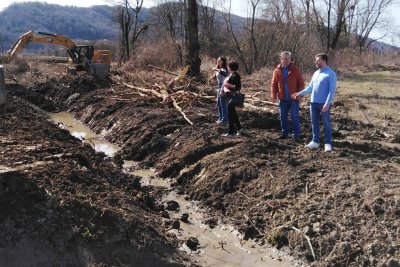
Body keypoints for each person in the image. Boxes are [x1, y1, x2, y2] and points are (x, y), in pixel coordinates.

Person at [292, 53, 337, 152]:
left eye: (318, 60)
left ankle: (327, 143)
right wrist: (299, 93)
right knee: (314, 122)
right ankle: (315, 141)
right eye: (316, 60)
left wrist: (327, 103)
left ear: (324, 61)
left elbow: (332, 90)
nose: (316, 62)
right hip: (313, 102)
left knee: (326, 123)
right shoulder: (316, 73)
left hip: (323, 104)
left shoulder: (331, 74)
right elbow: (310, 87)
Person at [271, 51, 305, 140]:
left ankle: (296, 135)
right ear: (281, 59)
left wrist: (300, 95)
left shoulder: (295, 70)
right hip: (282, 99)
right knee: (282, 117)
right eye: (284, 58)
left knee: (294, 117)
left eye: (288, 58)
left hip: (293, 98)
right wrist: (273, 95)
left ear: (290, 59)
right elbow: (274, 84)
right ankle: (284, 133)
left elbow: (301, 83)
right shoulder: (277, 71)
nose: (286, 60)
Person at [221, 60, 243, 137]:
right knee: (233, 114)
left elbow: (238, 87)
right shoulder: (230, 75)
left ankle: (231, 132)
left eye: (228, 66)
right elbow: (223, 73)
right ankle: (240, 129)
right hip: (229, 96)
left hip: (233, 97)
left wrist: (228, 85)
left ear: (230, 67)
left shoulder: (236, 76)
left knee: (230, 114)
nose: (227, 67)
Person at [211, 56, 228, 124]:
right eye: (218, 60)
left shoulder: (223, 69)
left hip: (223, 87)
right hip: (218, 87)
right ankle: (220, 118)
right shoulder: (218, 69)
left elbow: (224, 74)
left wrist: (216, 69)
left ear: (223, 62)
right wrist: (212, 77)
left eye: (219, 60)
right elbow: (215, 77)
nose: (218, 61)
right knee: (219, 104)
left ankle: (224, 119)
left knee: (223, 104)